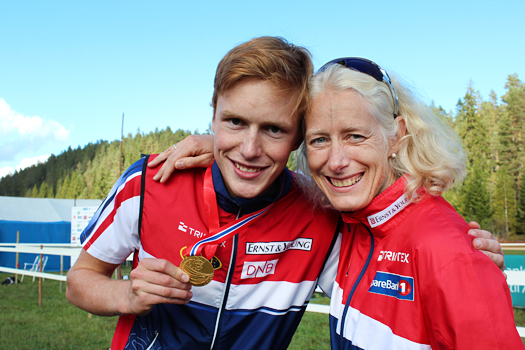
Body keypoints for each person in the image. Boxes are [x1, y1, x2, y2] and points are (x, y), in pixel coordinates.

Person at [66, 36, 504, 350]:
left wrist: (460, 262)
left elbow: (385, 247)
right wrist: (126, 296)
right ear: (212, 116)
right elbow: (79, 281)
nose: (251, 149)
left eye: (273, 129)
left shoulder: (321, 215)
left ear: (295, 138)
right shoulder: (149, 182)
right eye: (235, 122)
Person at [299, 57, 522, 349]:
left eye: (355, 135)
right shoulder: (347, 224)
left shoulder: (447, 249)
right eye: (319, 140)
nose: (336, 161)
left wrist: (464, 267)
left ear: (396, 136)